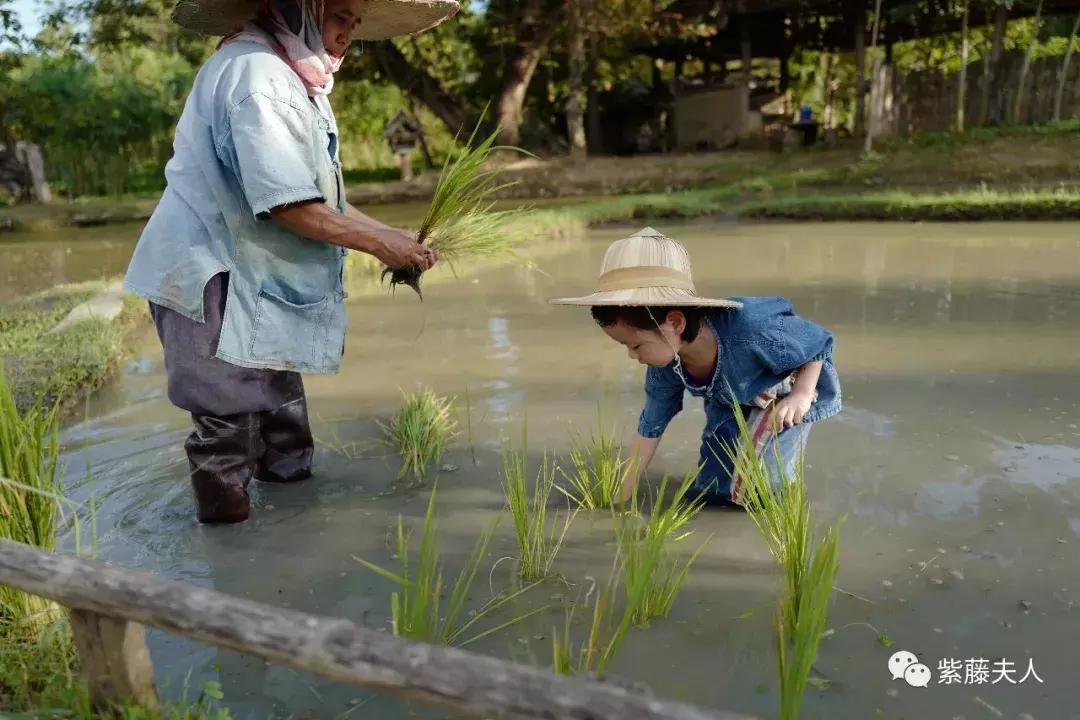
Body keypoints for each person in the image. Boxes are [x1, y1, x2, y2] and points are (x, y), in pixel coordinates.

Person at [123, 0, 459, 523]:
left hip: (256, 275)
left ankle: (298, 530)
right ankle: (231, 561)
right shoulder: (257, 77)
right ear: (297, 9)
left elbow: (323, 197)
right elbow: (288, 205)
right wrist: (378, 245)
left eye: (356, 22)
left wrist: (392, 235)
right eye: (338, 15)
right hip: (213, 277)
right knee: (227, 428)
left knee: (282, 417)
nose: (349, 33)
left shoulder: (295, 78)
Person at [549, 227, 841, 506]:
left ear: (674, 322)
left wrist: (801, 394)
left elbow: (819, 342)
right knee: (713, 491)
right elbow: (650, 426)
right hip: (728, 398)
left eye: (636, 346)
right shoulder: (665, 364)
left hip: (782, 397)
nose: (632, 356)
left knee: (761, 494)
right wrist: (621, 494)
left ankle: (782, 488)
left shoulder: (754, 329)